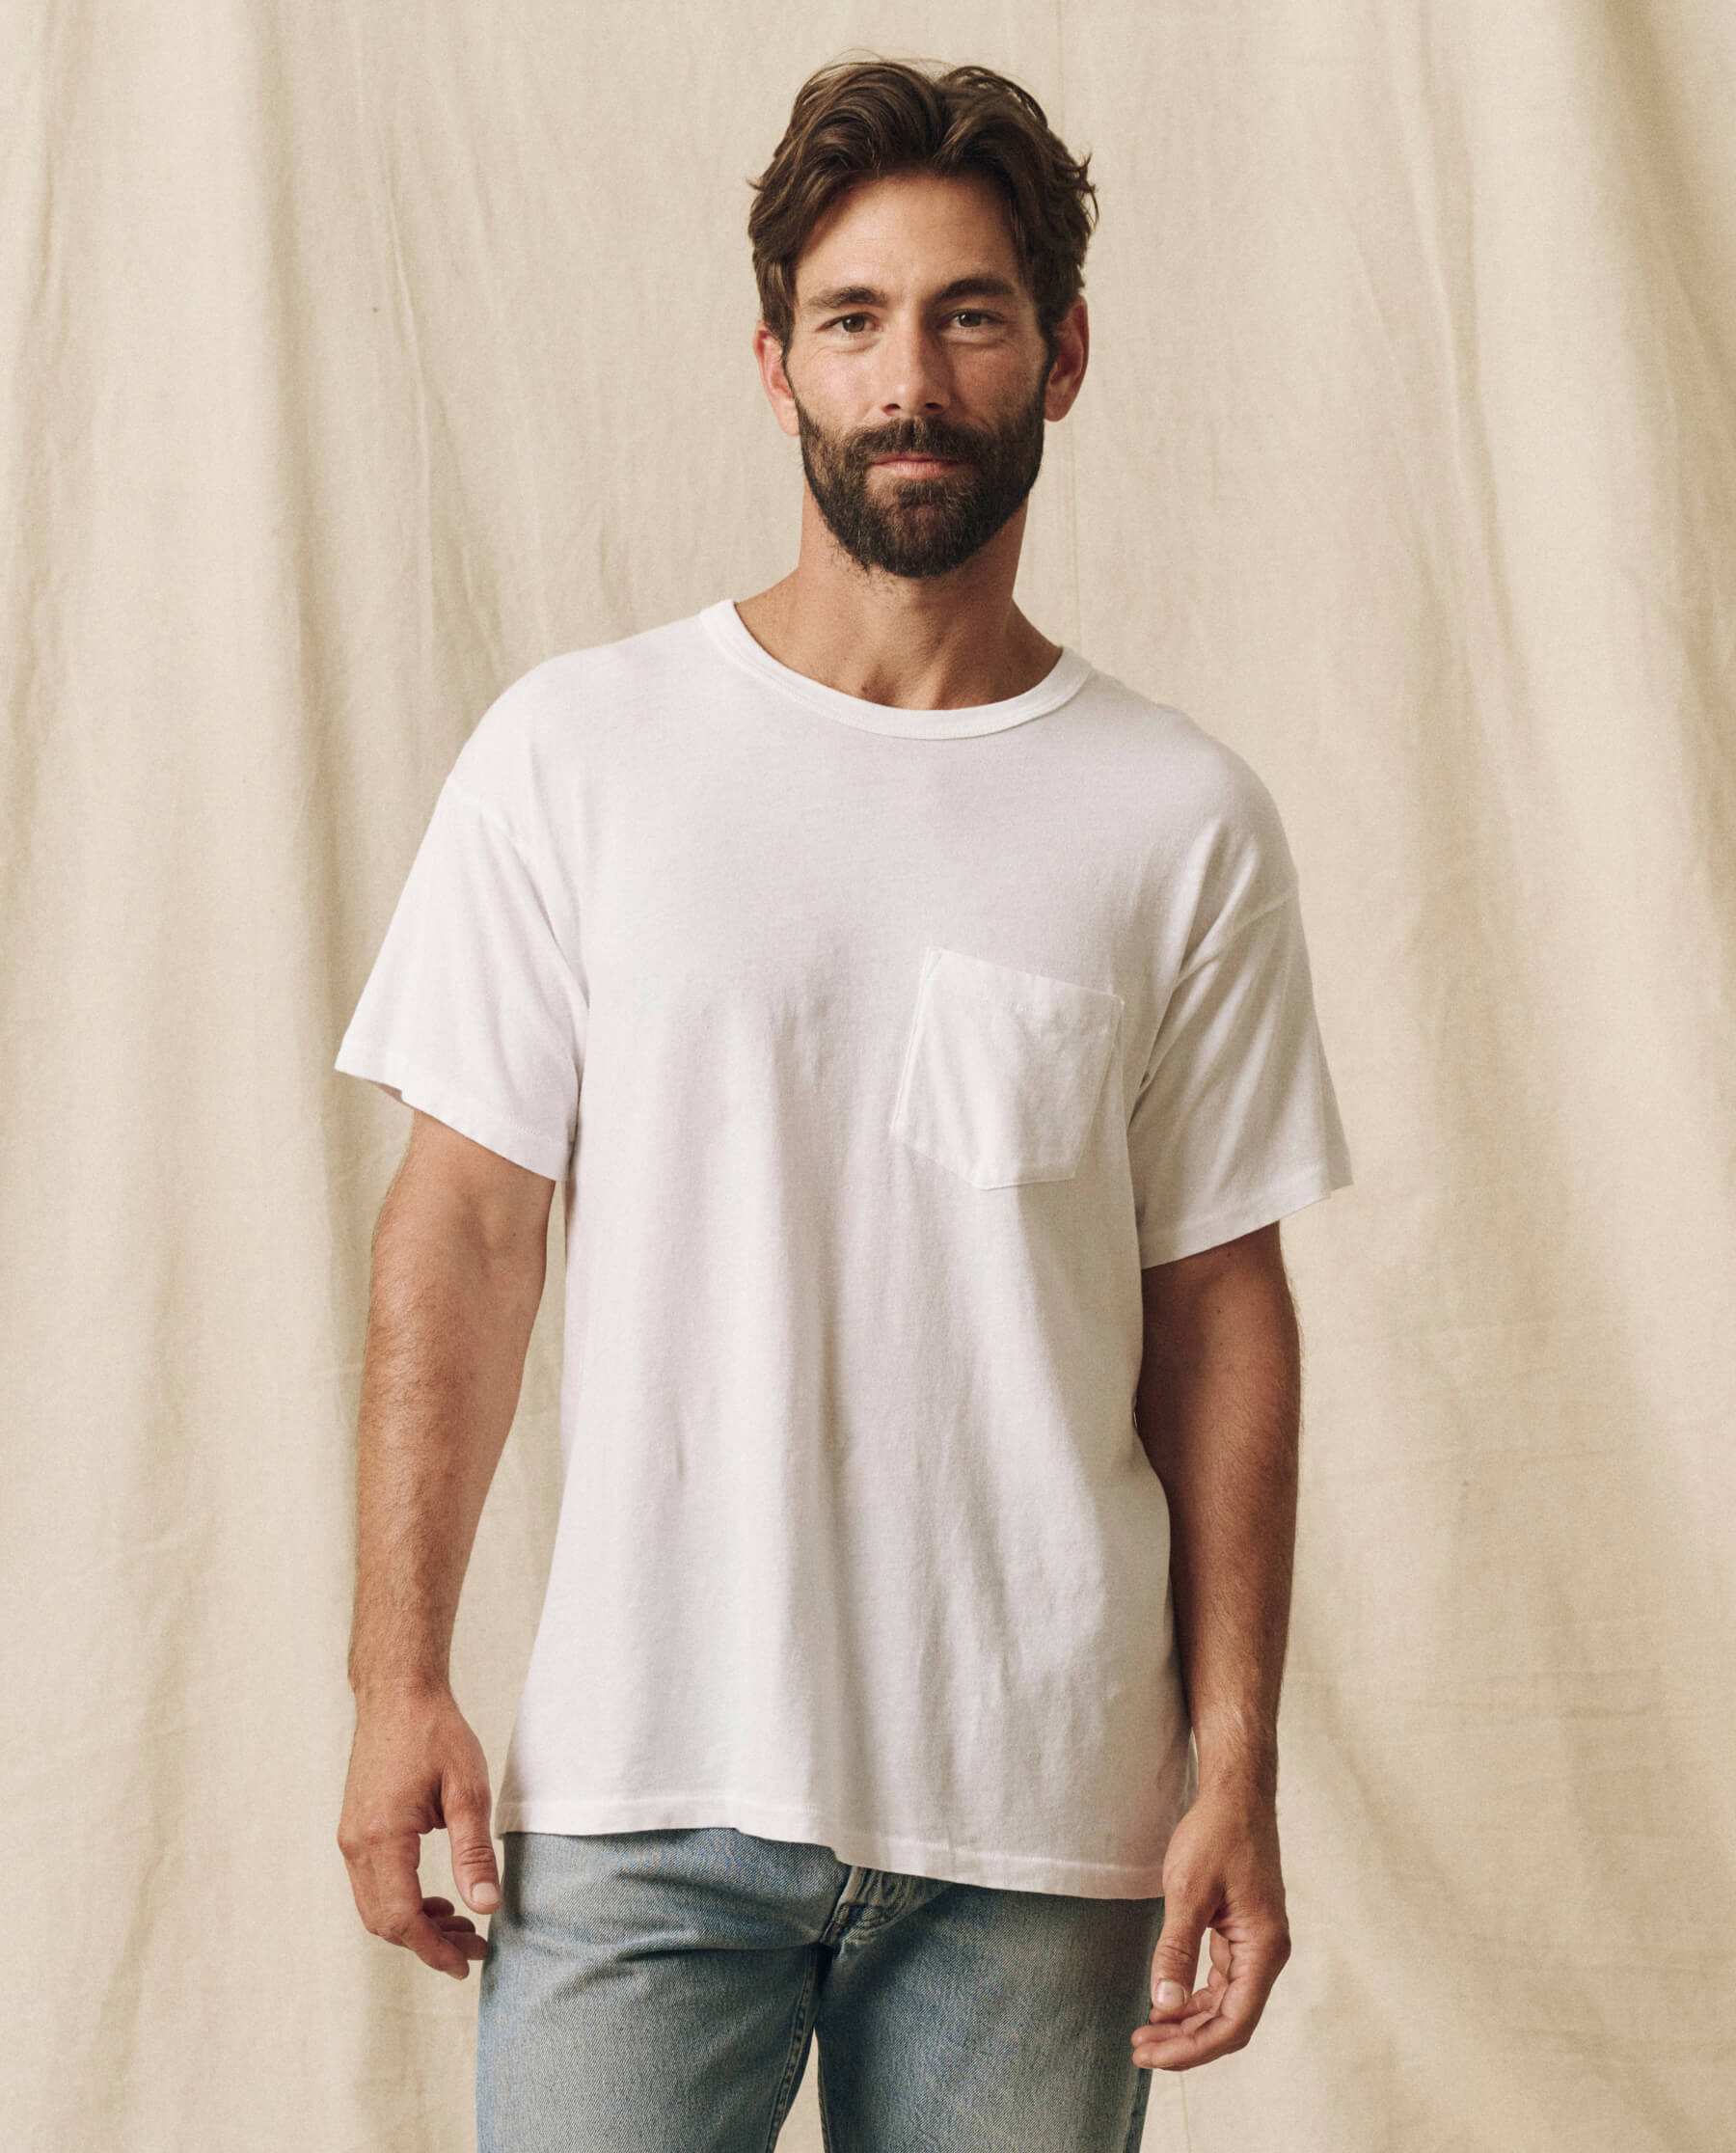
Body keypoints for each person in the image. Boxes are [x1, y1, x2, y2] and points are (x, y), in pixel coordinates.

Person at [334, 53, 1353, 2153]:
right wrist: (394, 1675)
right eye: (856, 320)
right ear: (774, 363)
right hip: (641, 1790)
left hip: (1044, 1830)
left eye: (970, 316)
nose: (911, 381)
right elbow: (465, 1228)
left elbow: (1218, 1305)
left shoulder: (1179, 819)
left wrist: (1237, 1756)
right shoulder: (578, 757)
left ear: (1063, 356)